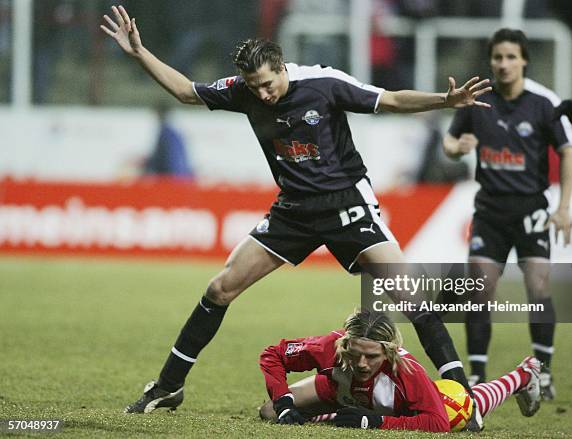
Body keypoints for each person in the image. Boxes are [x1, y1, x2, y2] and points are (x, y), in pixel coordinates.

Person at [100, 5, 492, 422]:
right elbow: (185, 92)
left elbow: (391, 99)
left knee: (412, 298)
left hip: (347, 206)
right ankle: (169, 384)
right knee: (220, 288)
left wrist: (445, 101)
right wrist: (139, 53)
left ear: (282, 67)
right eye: (255, 87)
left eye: (267, 84)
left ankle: (461, 395)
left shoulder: (323, 83)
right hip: (293, 212)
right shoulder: (244, 89)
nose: (263, 94)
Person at [443, 28, 572, 400]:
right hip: (489, 211)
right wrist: (457, 148)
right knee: (479, 292)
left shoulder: (543, 103)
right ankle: (477, 374)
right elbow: (449, 141)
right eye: (497, 57)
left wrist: (564, 207)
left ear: (524, 60)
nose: (503, 64)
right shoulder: (477, 101)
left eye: (510, 57)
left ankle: (544, 374)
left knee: (538, 288)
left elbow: (567, 150)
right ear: (491, 61)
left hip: (531, 210)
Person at [258, 310, 541, 432]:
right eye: (355, 354)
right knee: (269, 412)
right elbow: (273, 355)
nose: (362, 363)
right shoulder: (328, 346)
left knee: (463, 409)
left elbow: (436, 424)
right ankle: (326, 412)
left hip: (398, 407)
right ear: (345, 344)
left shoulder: (406, 369)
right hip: (342, 390)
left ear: (389, 351)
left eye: (372, 356)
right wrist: (284, 403)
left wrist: (375, 422)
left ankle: (523, 374)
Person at [143, 102, 194, 178]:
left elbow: (165, 159)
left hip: (173, 177)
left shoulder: (166, 133)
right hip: (182, 176)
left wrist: (146, 165)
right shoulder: (173, 132)